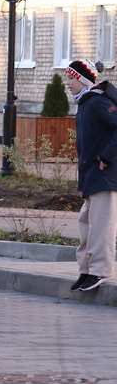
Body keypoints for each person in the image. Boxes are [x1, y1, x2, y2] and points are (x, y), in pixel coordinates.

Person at [65, 60, 117, 292]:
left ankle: (100, 272)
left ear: (82, 79)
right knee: (86, 223)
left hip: (105, 176)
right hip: (92, 177)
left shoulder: (97, 102)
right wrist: (82, 182)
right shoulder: (85, 104)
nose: (67, 84)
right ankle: (86, 271)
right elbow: (86, 146)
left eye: (70, 78)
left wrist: (107, 157)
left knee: (101, 227)